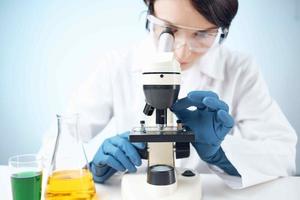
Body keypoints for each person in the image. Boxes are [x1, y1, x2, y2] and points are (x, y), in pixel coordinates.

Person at [40, 0, 297, 189]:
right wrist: (94, 168)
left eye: (202, 34)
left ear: (221, 30)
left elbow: (283, 153)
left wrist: (221, 155)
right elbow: (54, 146)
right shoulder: (117, 65)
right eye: (169, 30)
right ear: (150, 11)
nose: (182, 50)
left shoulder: (239, 70)